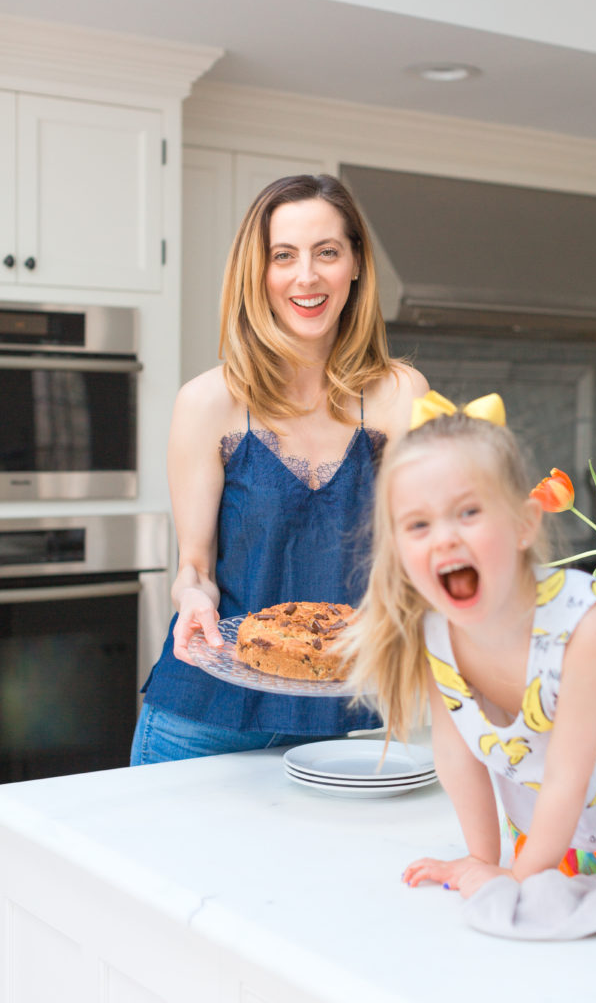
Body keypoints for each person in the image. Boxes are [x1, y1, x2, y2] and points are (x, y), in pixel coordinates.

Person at [342, 403, 596, 896]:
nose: (444, 539)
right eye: (418, 525)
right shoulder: (431, 634)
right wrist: (480, 860)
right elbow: (458, 757)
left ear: (524, 524)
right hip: (582, 811)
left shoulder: (587, 627)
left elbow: (569, 772)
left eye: (469, 512)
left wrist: (517, 880)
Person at [131, 174, 428, 764]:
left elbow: (417, 553)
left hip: (351, 716)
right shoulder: (207, 402)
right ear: (258, 273)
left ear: (356, 265)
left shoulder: (401, 395)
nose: (307, 276)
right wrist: (192, 597)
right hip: (205, 715)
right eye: (283, 256)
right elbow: (194, 566)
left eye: (327, 253)